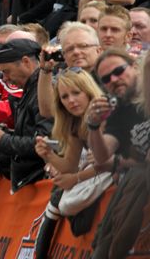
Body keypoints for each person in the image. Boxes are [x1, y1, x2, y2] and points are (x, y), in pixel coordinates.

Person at [33, 69, 104, 258]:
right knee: (64, 203)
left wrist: (77, 178)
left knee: (67, 203)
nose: (71, 100)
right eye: (64, 97)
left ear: (88, 91)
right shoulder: (74, 123)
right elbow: (70, 166)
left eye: (76, 93)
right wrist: (47, 155)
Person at [0, 39, 52, 191]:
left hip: (40, 183)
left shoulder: (44, 93)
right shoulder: (29, 91)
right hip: (28, 183)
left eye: (7, 71)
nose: (5, 78)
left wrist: (3, 140)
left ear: (26, 62)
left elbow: (46, 142)